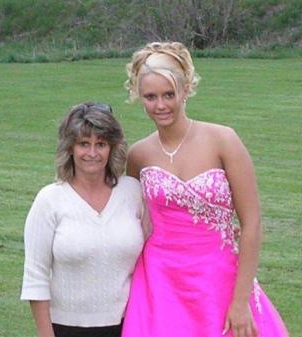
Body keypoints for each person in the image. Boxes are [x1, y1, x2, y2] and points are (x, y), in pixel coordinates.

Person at [121, 42, 289, 337]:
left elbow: (251, 224)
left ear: (185, 91)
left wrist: (239, 302)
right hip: (160, 282)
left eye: (169, 94)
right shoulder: (138, 155)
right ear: (139, 97)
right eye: (150, 97)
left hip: (218, 278)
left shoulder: (223, 140)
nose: (160, 105)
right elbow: (132, 220)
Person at [21, 102, 144, 337]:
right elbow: (35, 277)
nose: (92, 153)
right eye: (83, 144)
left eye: (101, 144)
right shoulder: (50, 200)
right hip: (66, 328)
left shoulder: (133, 193)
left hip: (128, 325)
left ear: (112, 148)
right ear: (70, 148)